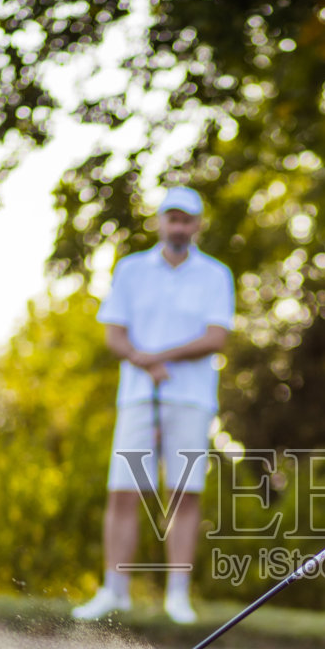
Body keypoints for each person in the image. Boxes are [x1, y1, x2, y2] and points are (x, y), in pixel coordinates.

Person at [72, 186, 235, 625]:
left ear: (197, 225)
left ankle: (177, 594)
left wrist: (156, 358)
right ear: (160, 222)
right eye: (171, 218)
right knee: (124, 491)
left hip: (192, 398)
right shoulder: (130, 270)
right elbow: (114, 334)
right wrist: (144, 362)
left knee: (183, 494)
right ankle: (115, 589)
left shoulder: (216, 274)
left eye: (186, 220)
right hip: (138, 397)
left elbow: (216, 337)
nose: (178, 227)